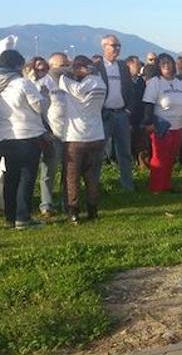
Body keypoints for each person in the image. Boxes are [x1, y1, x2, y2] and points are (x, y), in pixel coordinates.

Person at [55, 55, 107, 223]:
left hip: (75, 137)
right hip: (97, 135)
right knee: (92, 176)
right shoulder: (101, 83)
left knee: (72, 177)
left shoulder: (70, 83)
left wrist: (71, 69)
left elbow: (58, 73)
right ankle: (93, 210)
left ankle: (74, 211)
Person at [0, 49, 48, 229]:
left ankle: (10, 217)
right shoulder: (23, 83)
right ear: (17, 65)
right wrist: (43, 94)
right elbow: (39, 107)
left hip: (5, 137)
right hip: (27, 135)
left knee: (10, 178)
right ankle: (23, 217)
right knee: (26, 177)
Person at [142, 53, 182, 193]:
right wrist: (148, 122)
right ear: (158, 66)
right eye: (163, 63)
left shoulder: (179, 82)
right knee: (159, 158)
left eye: (169, 62)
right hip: (161, 126)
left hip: (178, 124)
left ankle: (167, 185)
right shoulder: (155, 82)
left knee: (171, 158)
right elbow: (148, 103)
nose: (166, 65)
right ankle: (156, 187)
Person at [95, 34, 136, 191]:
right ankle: (95, 186)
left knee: (125, 152)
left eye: (119, 45)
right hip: (104, 115)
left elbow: (130, 91)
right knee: (99, 153)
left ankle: (127, 185)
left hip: (121, 114)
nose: (117, 49)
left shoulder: (123, 67)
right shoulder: (97, 67)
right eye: (114, 45)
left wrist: (128, 110)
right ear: (104, 47)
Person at [32, 56, 65, 217]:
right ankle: (46, 204)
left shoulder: (69, 82)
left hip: (71, 133)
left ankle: (68, 201)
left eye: (67, 64)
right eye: (61, 65)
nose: (65, 68)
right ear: (51, 66)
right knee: (48, 171)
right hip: (51, 134)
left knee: (69, 170)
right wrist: (46, 132)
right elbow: (37, 111)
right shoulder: (41, 85)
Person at [126, 56, 149, 170]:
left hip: (140, 116)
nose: (140, 67)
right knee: (127, 144)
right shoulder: (124, 81)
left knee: (141, 143)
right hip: (128, 116)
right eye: (137, 65)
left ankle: (143, 166)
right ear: (129, 65)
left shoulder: (140, 81)